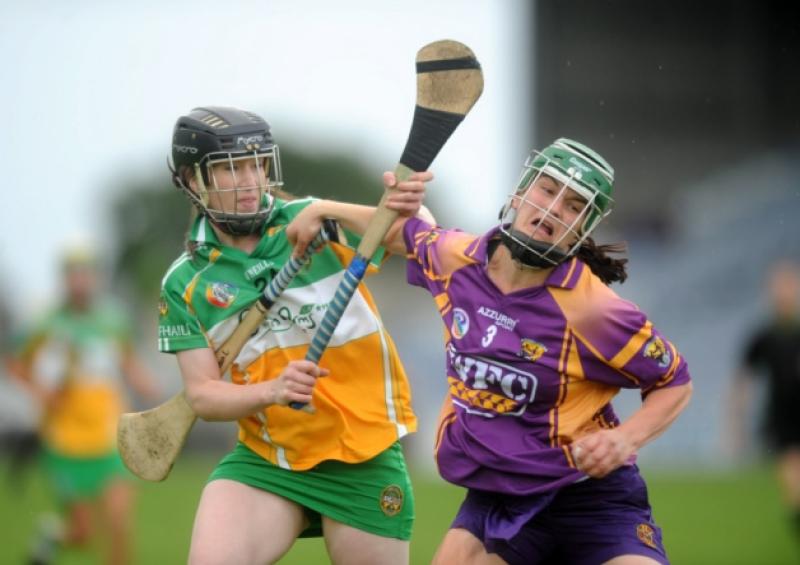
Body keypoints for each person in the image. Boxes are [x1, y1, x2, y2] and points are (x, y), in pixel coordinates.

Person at [289, 137, 694, 564]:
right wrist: (322, 208)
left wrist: (623, 438)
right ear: (519, 193)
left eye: (574, 206)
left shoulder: (596, 311)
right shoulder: (457, 258)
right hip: (499, 496)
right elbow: (399, 235)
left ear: (583, 230)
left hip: (591, 499)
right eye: (546, 188)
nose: (555, 208)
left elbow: (674, 382)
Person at [161, 106, 433, 565]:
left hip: (361, 452)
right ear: (193, 180)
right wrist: (273, 390)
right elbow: (204, 396)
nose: (250, 179)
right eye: (231, 168)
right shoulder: (185, 281)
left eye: (257, 163)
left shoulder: (311, 220)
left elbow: (420, 236)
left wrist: (327, 209)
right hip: (269, 459)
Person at [9, 245, 159, 565]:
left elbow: (129, 364)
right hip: (65, 440)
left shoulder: (113, 319)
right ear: (65, 279)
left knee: (119, 521)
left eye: (86, 274)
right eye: (73, 274)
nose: (80, 281)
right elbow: (14, 364)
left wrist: (153, 390)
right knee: (83, 534)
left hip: (109, 434)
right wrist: (40, 392)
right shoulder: (46, 324)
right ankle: (52, 536)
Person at [729, 260, 800, 538]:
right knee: (792, 476)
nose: (782, 293)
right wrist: (737, 419)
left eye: (788, 286)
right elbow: (744, 379)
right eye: (777, 287)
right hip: (782, 417)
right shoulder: (764, 336)